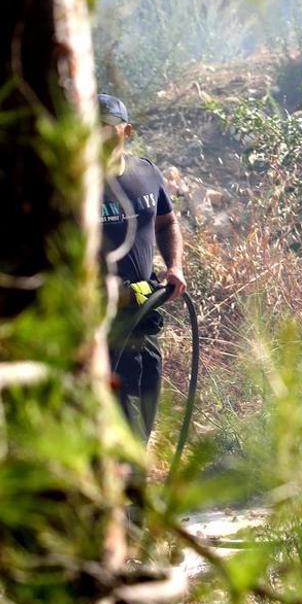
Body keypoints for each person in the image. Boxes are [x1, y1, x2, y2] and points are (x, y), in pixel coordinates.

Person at [99, 93, 186, 443]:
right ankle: (128, 488)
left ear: (126, 131)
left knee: (147, 389)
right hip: (98, 316)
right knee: (118, 404)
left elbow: (167, 224)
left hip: (143, 306)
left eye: (106, 129)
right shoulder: (74, 184)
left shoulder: (146, 174)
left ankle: (129, 480)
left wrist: (174, 267)